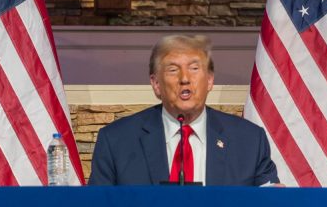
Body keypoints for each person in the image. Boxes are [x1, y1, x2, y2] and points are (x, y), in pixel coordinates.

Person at [88, 34, 278, 186]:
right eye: (173, 70)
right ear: (156, 84)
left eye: (194, 68)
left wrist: (274, 203)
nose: (185, 78)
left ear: (210, 80)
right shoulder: (116, 141)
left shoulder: (249, 141)